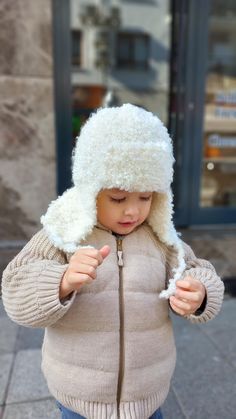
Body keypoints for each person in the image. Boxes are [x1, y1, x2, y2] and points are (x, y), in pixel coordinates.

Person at [2, 104, 224, 419]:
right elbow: (15, 289)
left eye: (145, 197)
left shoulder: (160, 237)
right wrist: (61, 281)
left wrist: (200, 294)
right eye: (118, 198)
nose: (133, 211)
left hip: (147, 396)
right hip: (79, 397)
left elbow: (200, 270)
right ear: (90, 189)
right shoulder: (64, 230)